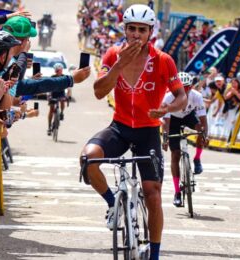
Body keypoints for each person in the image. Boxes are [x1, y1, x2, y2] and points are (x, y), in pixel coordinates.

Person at [80, 5, 186, 260]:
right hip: (120, 127)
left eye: (142, 30)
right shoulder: (113, 54)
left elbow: (181, 96)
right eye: (132, 29)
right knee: (88, 159)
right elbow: (98, 91)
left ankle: (155, 254)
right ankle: (112, 203)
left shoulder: (163, 60)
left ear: (150, 32)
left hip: (148, 131)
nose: (136, 35)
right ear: (124, 30)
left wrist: (167, 109)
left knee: (153, 194)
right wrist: (119, 65)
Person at [161, 72, 207, 206]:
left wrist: (205, 135)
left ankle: (197, 158)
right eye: (181, 87)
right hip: (173, 120)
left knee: (201, 130)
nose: (184, 90)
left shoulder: (196, 96)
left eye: (187, 87)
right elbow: (166, 123)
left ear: (191, 87)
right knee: (175, 155)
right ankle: (177, 192)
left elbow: (203, 118)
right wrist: (166, 139)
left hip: (188, 115)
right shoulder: (169, 97)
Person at [47, 63, 68, 135]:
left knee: (62, 100)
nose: (59, 71)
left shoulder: (64, 77)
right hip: (53, 94)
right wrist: (49, 95)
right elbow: (49, 87)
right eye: (57, 70)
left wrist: (67, 96)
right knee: (51, 109)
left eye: (60, 70)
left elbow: (67, 88)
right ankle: (49, 126)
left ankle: (61, 112)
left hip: (61, 94)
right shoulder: (52, 77)